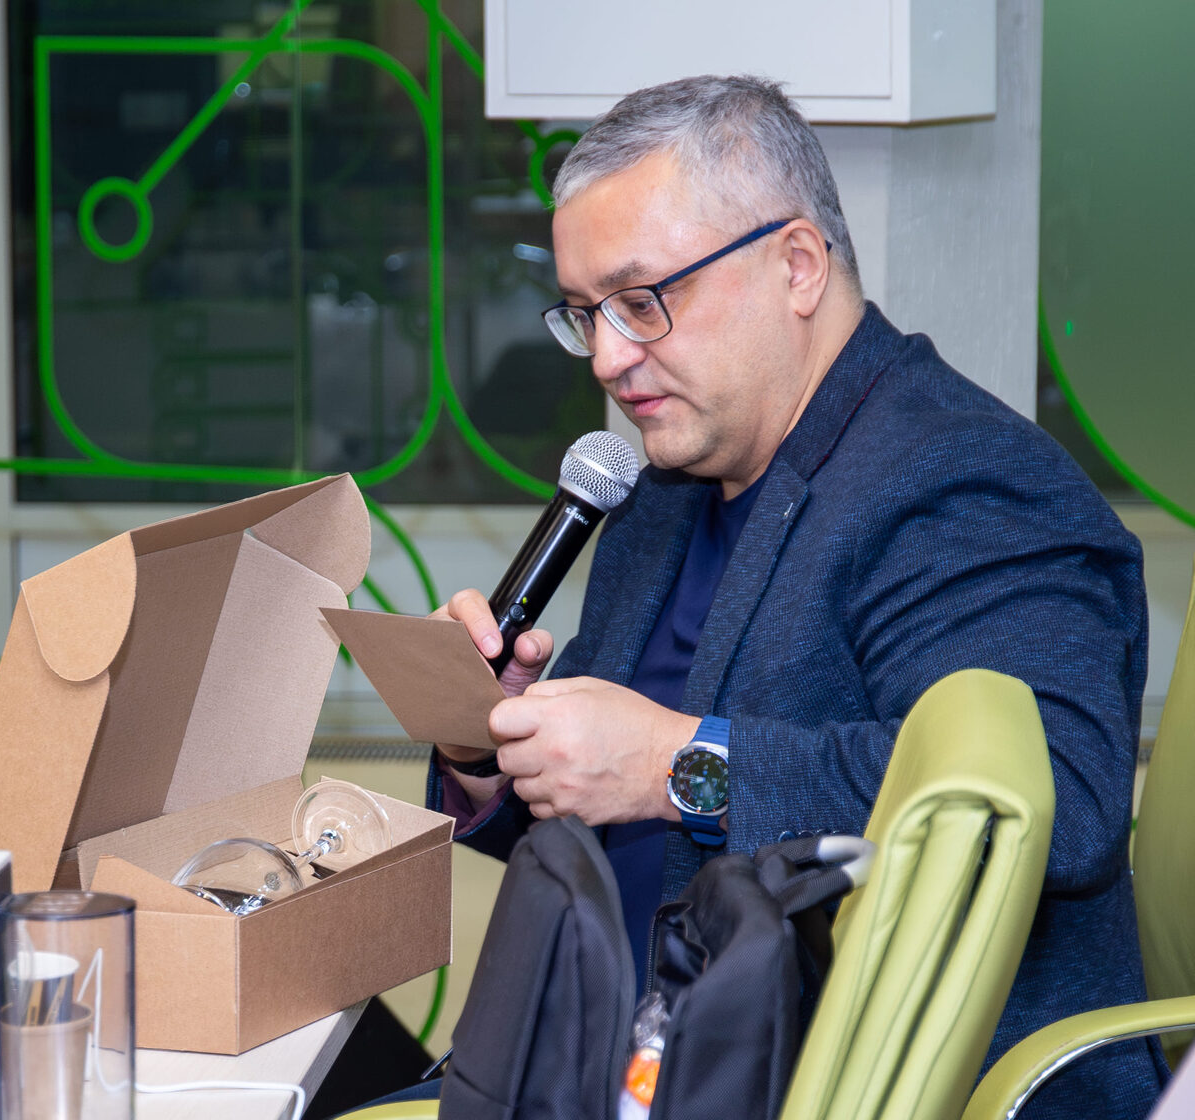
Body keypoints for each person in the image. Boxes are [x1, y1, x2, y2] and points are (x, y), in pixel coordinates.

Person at [429, 75, 1166, 1117]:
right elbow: (602, 794)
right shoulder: (669, 484)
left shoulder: (963, 479)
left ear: (798, 266)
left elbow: (1054, 798)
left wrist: (670, 766)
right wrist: (490, 748)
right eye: (585, 315)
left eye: (642, 302)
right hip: (618, 1063)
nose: (608, 356)